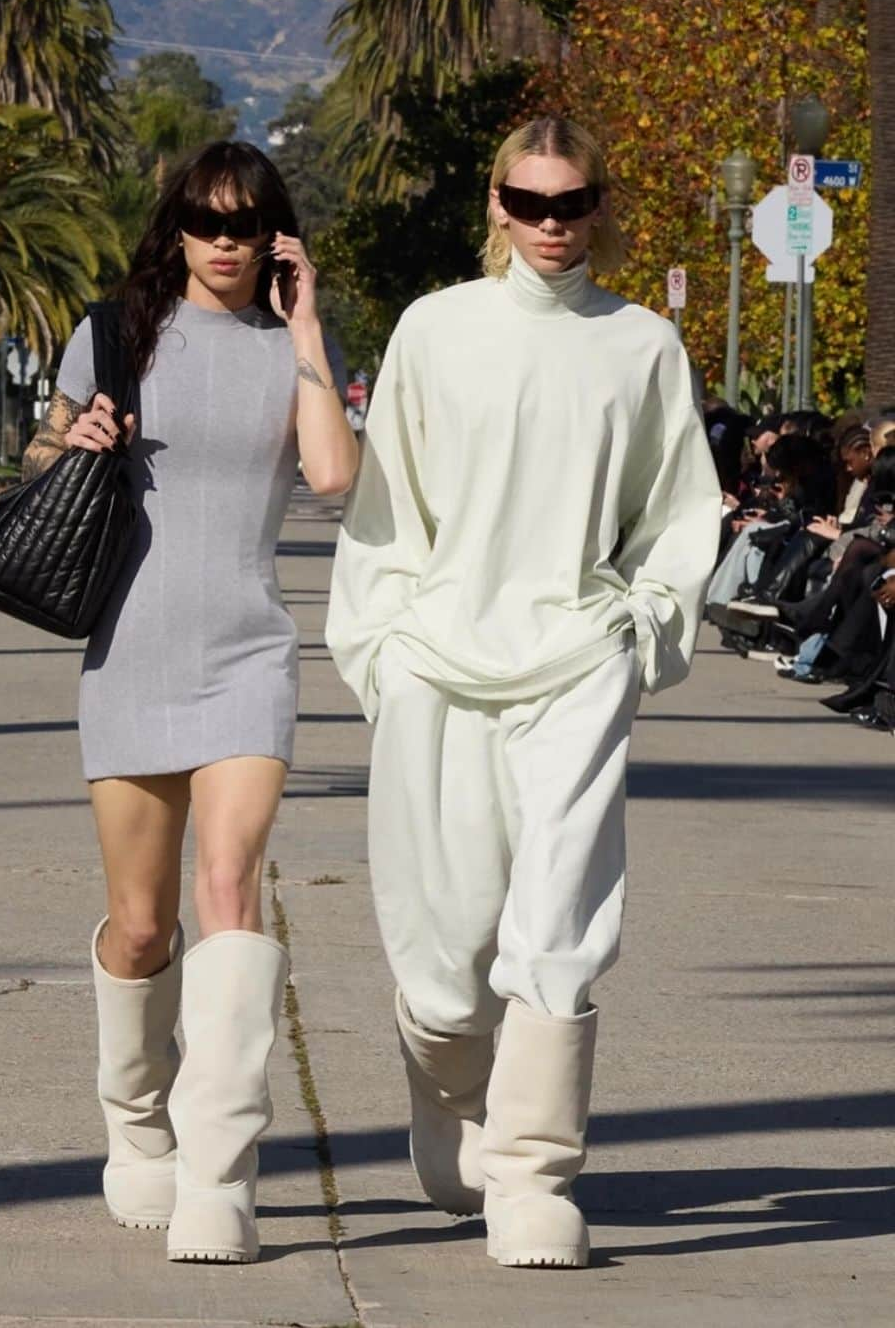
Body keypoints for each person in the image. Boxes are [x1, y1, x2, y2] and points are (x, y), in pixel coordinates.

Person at [326, 115, 721, 1271]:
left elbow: (677, 513)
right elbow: (385, 514)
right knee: (445, 962)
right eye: (530, 201)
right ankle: (448, 1090)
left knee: (558, 926)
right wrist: (386, 654)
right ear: (496, 203)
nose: (553, 224)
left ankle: (537, 1171)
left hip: (579, 660)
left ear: (602, 207)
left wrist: (639, 631)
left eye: (573, 202)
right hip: (440, 664)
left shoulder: (644, 345)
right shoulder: (435, 331)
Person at [20, 140, 356, 1264]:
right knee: (143, 924)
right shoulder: (118, 333)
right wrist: (69, 440)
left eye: (247, 221)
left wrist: (306, 328)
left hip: (249, 652)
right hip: (131, 650)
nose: (225, 240)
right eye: (206, 221)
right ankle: (136, 1127)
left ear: (274, 232)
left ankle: (221, 1174)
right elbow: (35, 456)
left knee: (230, 892)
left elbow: (332, 478)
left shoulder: (289, 346)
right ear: (177, 226)